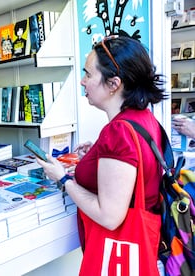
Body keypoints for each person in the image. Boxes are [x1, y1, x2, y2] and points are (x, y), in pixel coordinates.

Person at [36, 36, 166, 272]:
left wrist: (63, 179)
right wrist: (98, 152)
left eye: (88, 74)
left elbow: (109, 216)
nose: (82, 82)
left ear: (114, 84)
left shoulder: (117, 132)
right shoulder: (143, 118)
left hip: (118, 253)